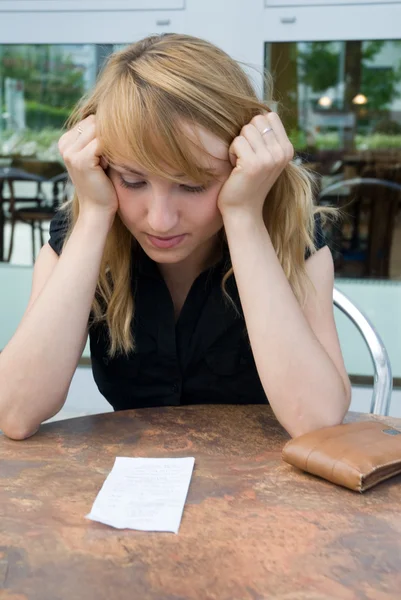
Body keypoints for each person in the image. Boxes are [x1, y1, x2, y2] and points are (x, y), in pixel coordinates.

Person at [0, 33, 351, 441]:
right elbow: (13, 411)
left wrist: (242, 217)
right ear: (101, 167)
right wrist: (96, 214)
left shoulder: (289, 231)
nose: (161, 220)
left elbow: (318, 422)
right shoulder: (82, 234)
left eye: (194, 186)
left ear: (243, 165)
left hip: (262, 494)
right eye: (132, 181)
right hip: (132, 491)